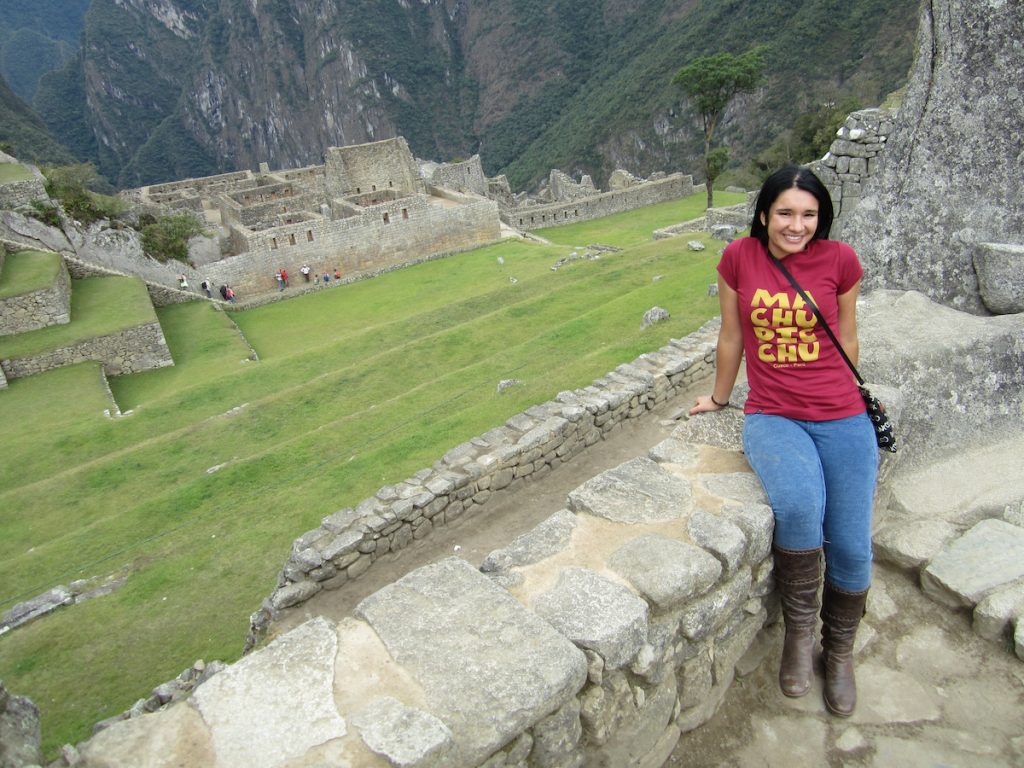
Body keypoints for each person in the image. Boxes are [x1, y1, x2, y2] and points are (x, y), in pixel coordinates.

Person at [689, 165, 878, 718]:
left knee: (850, 541)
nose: (797, 226)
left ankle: (838, 651)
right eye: (786, 213)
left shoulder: (841, 261)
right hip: (774, 413)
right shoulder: (738, 258)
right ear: (765, 213)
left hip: (841, 413)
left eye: (809, 214)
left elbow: (846, 335)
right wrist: (720, 398)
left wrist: (846, 395)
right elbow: (732, 333)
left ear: (823, 217)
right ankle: (799, 635)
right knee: (799, 506)